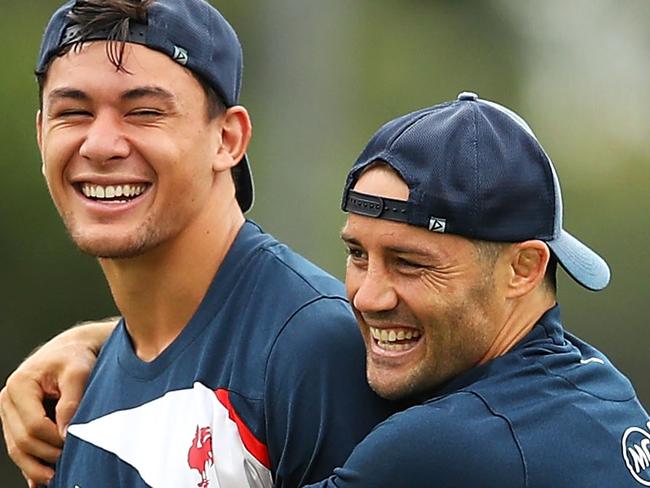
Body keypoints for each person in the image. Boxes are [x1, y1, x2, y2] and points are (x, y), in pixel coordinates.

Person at [0, 1, 400, 487]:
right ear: (41, 133)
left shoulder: (311, 348)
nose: (100, 144)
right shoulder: (71, 393)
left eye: (144, 112)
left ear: (228, 139)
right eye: (74, 112)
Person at [301, 92, 650, 486]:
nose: (367, 297)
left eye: (409, 263)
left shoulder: (442, 446)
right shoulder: (605, 388)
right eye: (358, 254)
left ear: (523, 269)